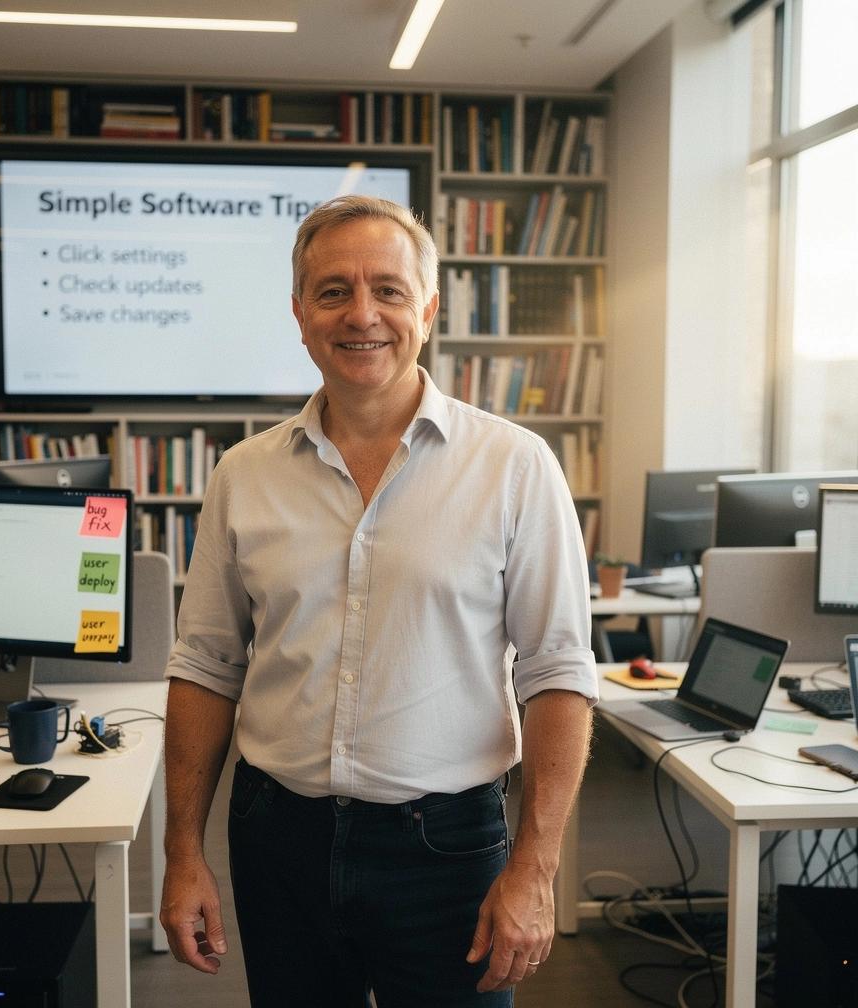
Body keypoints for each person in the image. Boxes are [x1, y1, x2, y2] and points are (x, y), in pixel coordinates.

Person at [160, 194, 598, 1007]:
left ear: (427, 310)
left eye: (389, 290)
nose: (362, 314)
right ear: (300, 314)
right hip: (277, 838)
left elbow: (559, 672)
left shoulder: (515, 466)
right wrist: (182, 852)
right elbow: (206, 666)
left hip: (447, 847)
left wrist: (535, 869)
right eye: (333, 291)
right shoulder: (243, 476)